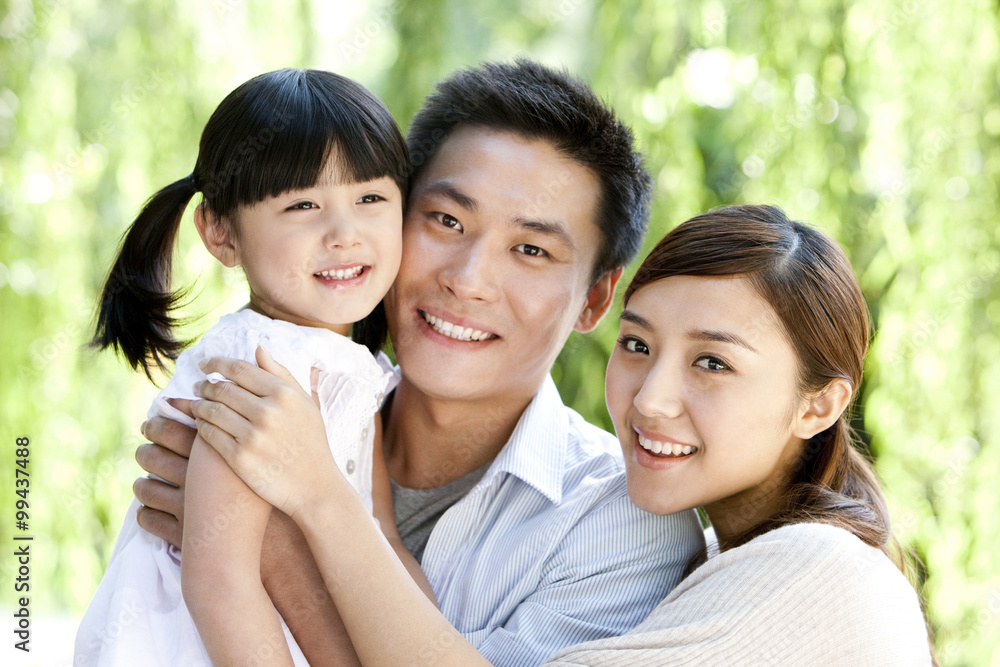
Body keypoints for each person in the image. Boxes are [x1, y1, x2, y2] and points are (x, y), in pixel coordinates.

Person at [133, 60, 706, 666]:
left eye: (531, 249)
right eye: (446, 220)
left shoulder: (623, 525)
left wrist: (280, 542)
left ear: (594, 299)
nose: (467, 280)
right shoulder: (279, 386)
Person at [186, 204, 933, 665]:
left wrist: (292, 522)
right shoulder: (716, 561)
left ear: (820, 404)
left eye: (712, 362)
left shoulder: (820, 571)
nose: (651, 399)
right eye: (637, 346)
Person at [76, 68, 416, 666]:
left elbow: (382, 537)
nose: (344, 233)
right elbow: (218, 581)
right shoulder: (254, 364)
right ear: (220, 233)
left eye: (370, 198)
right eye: (303, 205)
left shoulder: (354, 367)